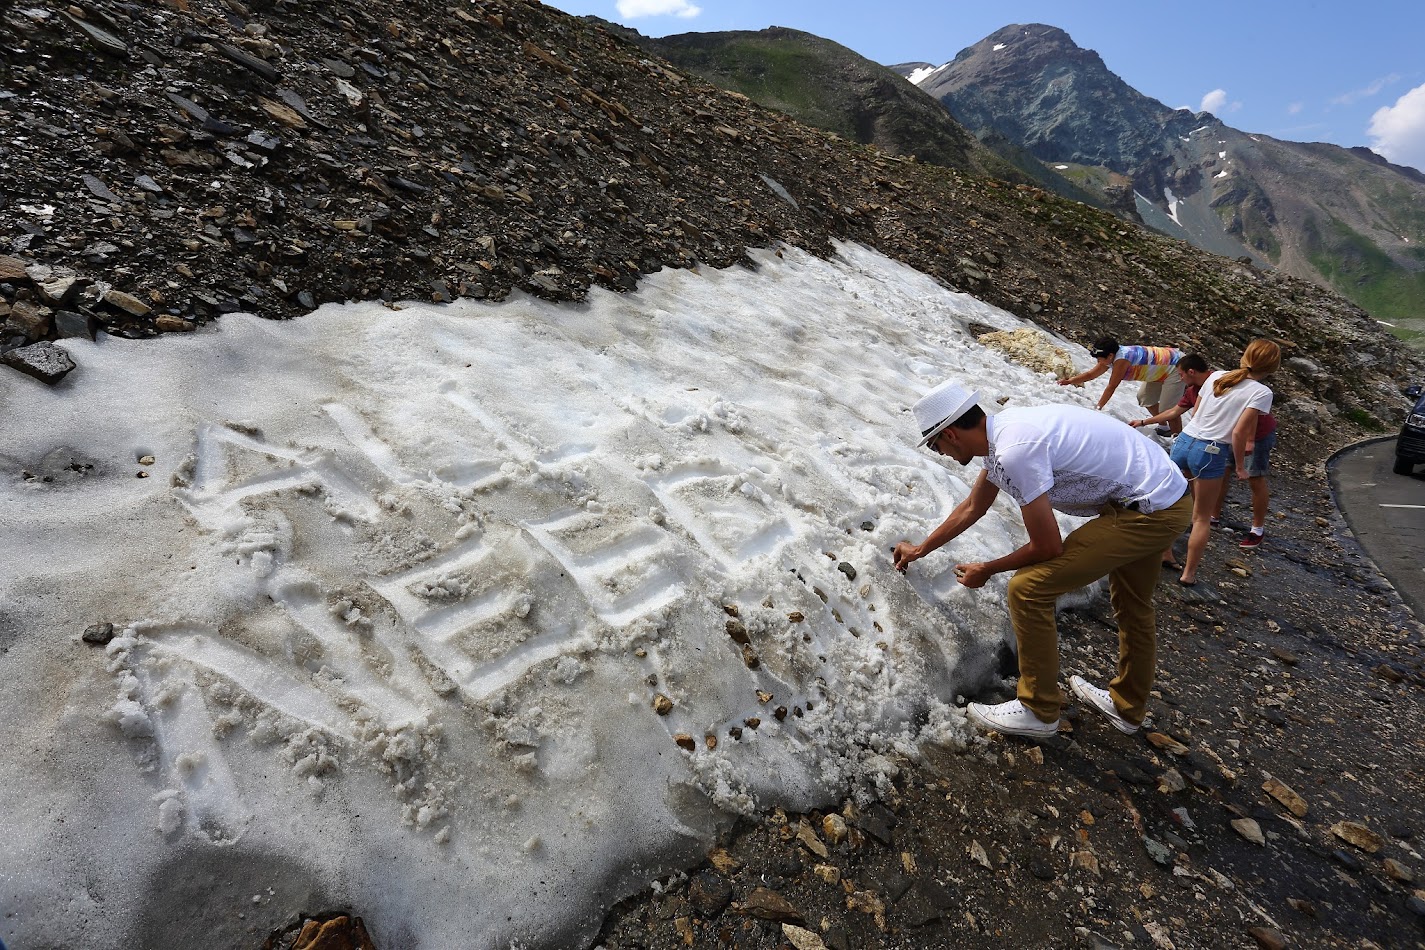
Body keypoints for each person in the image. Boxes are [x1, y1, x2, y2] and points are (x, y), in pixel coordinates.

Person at [893, 379, 1191, 738]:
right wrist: (921, 548)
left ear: (952, 434)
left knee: (1027, 588)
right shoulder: (1001, 433)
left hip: (1148, 510)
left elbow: (1047, 547)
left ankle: (1038, 709)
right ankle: (1127, 707)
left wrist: (988, 569)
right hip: (1164, 495)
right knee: (1132, 604)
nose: (939, 453)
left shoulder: (1015, 450)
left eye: (936, 443)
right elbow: (973, 507)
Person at [1169, 339, 1281, 585]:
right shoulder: (1262, 392)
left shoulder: (1217, 375)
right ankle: (1188, 575)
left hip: (1185, 440)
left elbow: (1196, 413)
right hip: (1210, 449)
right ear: (1273, 366)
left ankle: (1165, 551)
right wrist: (1240, 466)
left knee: (1172, 502)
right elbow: (1240, 433)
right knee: (1201, 518)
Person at [1129, 353, 1213, 568]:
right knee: (1193, 502)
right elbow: (1174, 411)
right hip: (1207, 445)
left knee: (1177, 490)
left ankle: (1165, 543)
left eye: (1182, 375)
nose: (1181, 379)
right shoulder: (1202, 388)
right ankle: (1172, 550)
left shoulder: (1212, 385)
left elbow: (1176, 411)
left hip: (1190, 442)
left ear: (1191, 372)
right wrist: (1144, 421)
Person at [1059, 338, 1185, 431]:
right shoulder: (1109, 357)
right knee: (1145, 398)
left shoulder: (1122, 360)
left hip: (1176, 366)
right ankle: (1164, 427)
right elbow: (1091, 374)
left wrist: (1098, 408)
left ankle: (1177, 439)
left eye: (1100, 358)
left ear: (1110, 355)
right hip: (1158, 371)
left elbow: (1112, 386)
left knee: (1168, 409)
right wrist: (1070, 381)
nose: (1098, 361)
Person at [1213, 409, 1278, 548]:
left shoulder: (1255, 390)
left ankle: (1257, 530)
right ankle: (1213, 516)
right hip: (1230, 432)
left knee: (1255, 477)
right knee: (1222, 471)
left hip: (1256, 435)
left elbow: (1253, 412)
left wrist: (1250, 440)